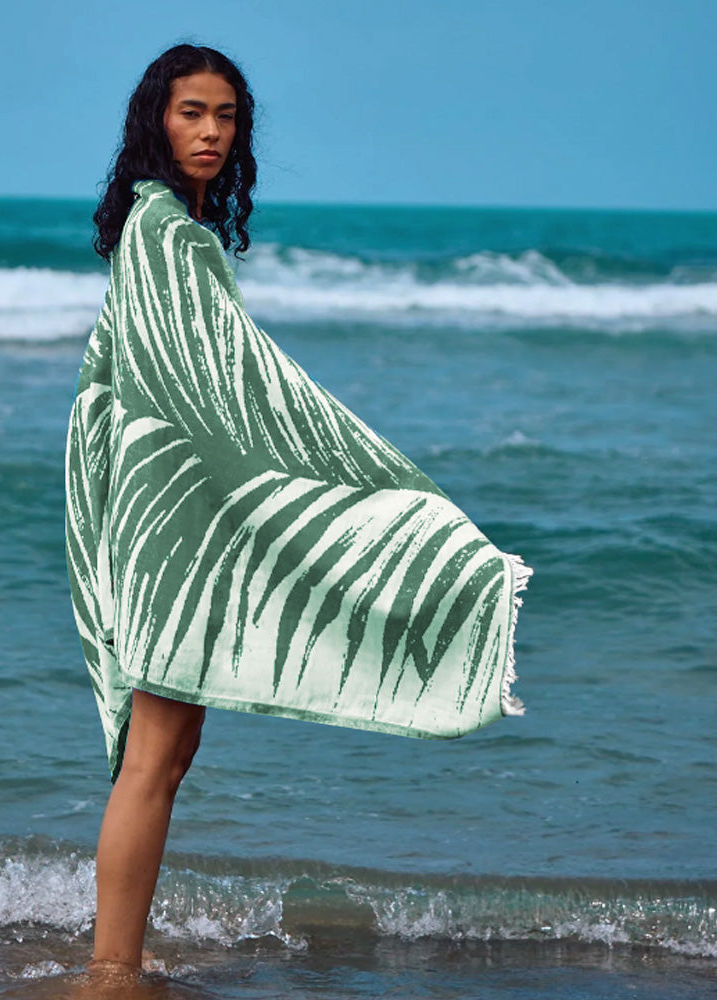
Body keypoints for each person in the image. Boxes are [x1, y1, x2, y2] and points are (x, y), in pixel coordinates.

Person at [65, 43, 530, 987]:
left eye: (227, 116)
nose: (210, 132)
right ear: (156, 118)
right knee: (154, 751)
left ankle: (120, 948)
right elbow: (226, 387)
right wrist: (366, 473)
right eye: (192, 112)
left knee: (171, 745)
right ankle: (111, 967)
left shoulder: (172, 229)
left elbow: (197, 380)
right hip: (176, 519)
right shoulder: (164, 229)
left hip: (183, 509)